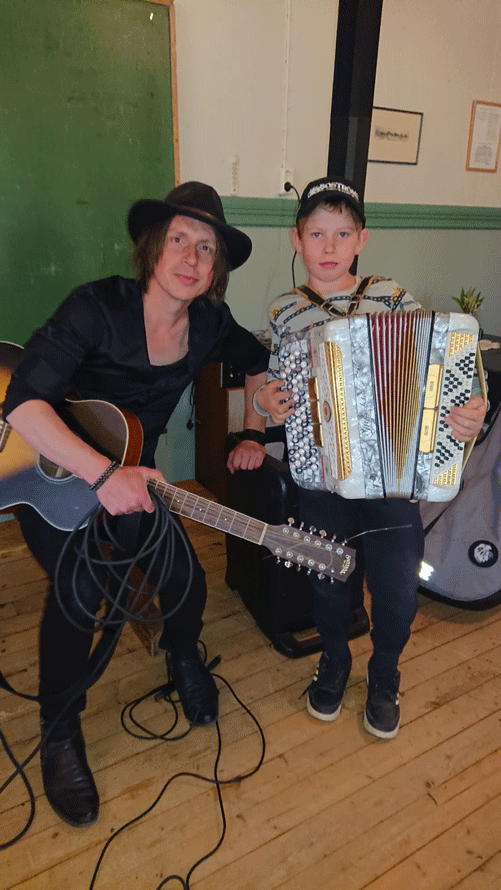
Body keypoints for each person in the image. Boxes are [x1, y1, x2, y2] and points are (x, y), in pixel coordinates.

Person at [3, 181, 269, 826]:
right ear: (153, 246)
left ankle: (182, 654)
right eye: (179, 239)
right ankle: (60, 728)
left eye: (206, 248)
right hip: (54, 471)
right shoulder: (95, 307)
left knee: (185, 578)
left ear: (216, 269)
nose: (191, 257)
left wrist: (255, 431)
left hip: (131, 479)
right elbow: (22, 403)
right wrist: (101, 475)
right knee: (80, 589)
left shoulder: (209, 324)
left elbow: (258, 359)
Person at [253, 177, 486, 740]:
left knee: (397, 586)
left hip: (392, 479)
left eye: (342, 234)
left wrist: (471, 405)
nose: (329, 247)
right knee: (326, 580)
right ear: (297, 240)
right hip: (321, 477)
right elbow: (269, 383)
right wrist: (263, 404)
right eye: (316, 234)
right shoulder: (285, 310)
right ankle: (335, 659)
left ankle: (385, 673)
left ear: (362, 240)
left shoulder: (391, 296)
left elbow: (443, 361)